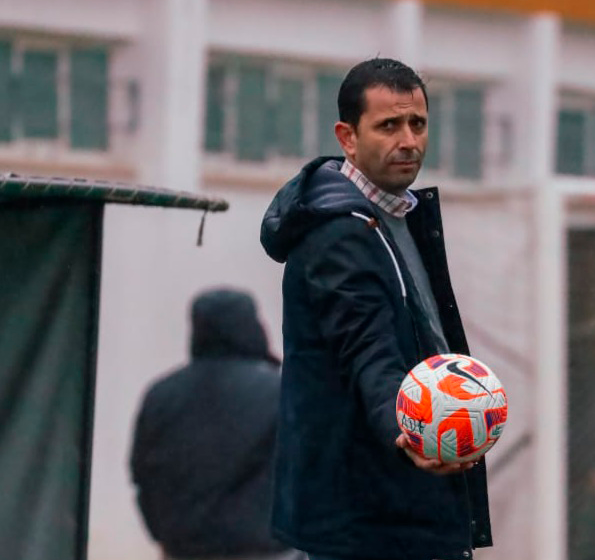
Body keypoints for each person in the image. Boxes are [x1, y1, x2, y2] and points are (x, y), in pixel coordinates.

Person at [259, 58, 492, 560]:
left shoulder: (396, 216)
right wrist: (407, 430)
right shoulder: (340, 233)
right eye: (389, 125)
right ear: (347, 137)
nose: (408, 140)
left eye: (418, 123)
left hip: (402, 513)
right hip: (364, 527)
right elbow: (370, 351)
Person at [130, 288, 298, 560]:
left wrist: (163, 536)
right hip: (265, 551)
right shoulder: (282, 392)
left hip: (184, 551)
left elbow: (143, 475)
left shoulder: (161, 396)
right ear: (253, 327)